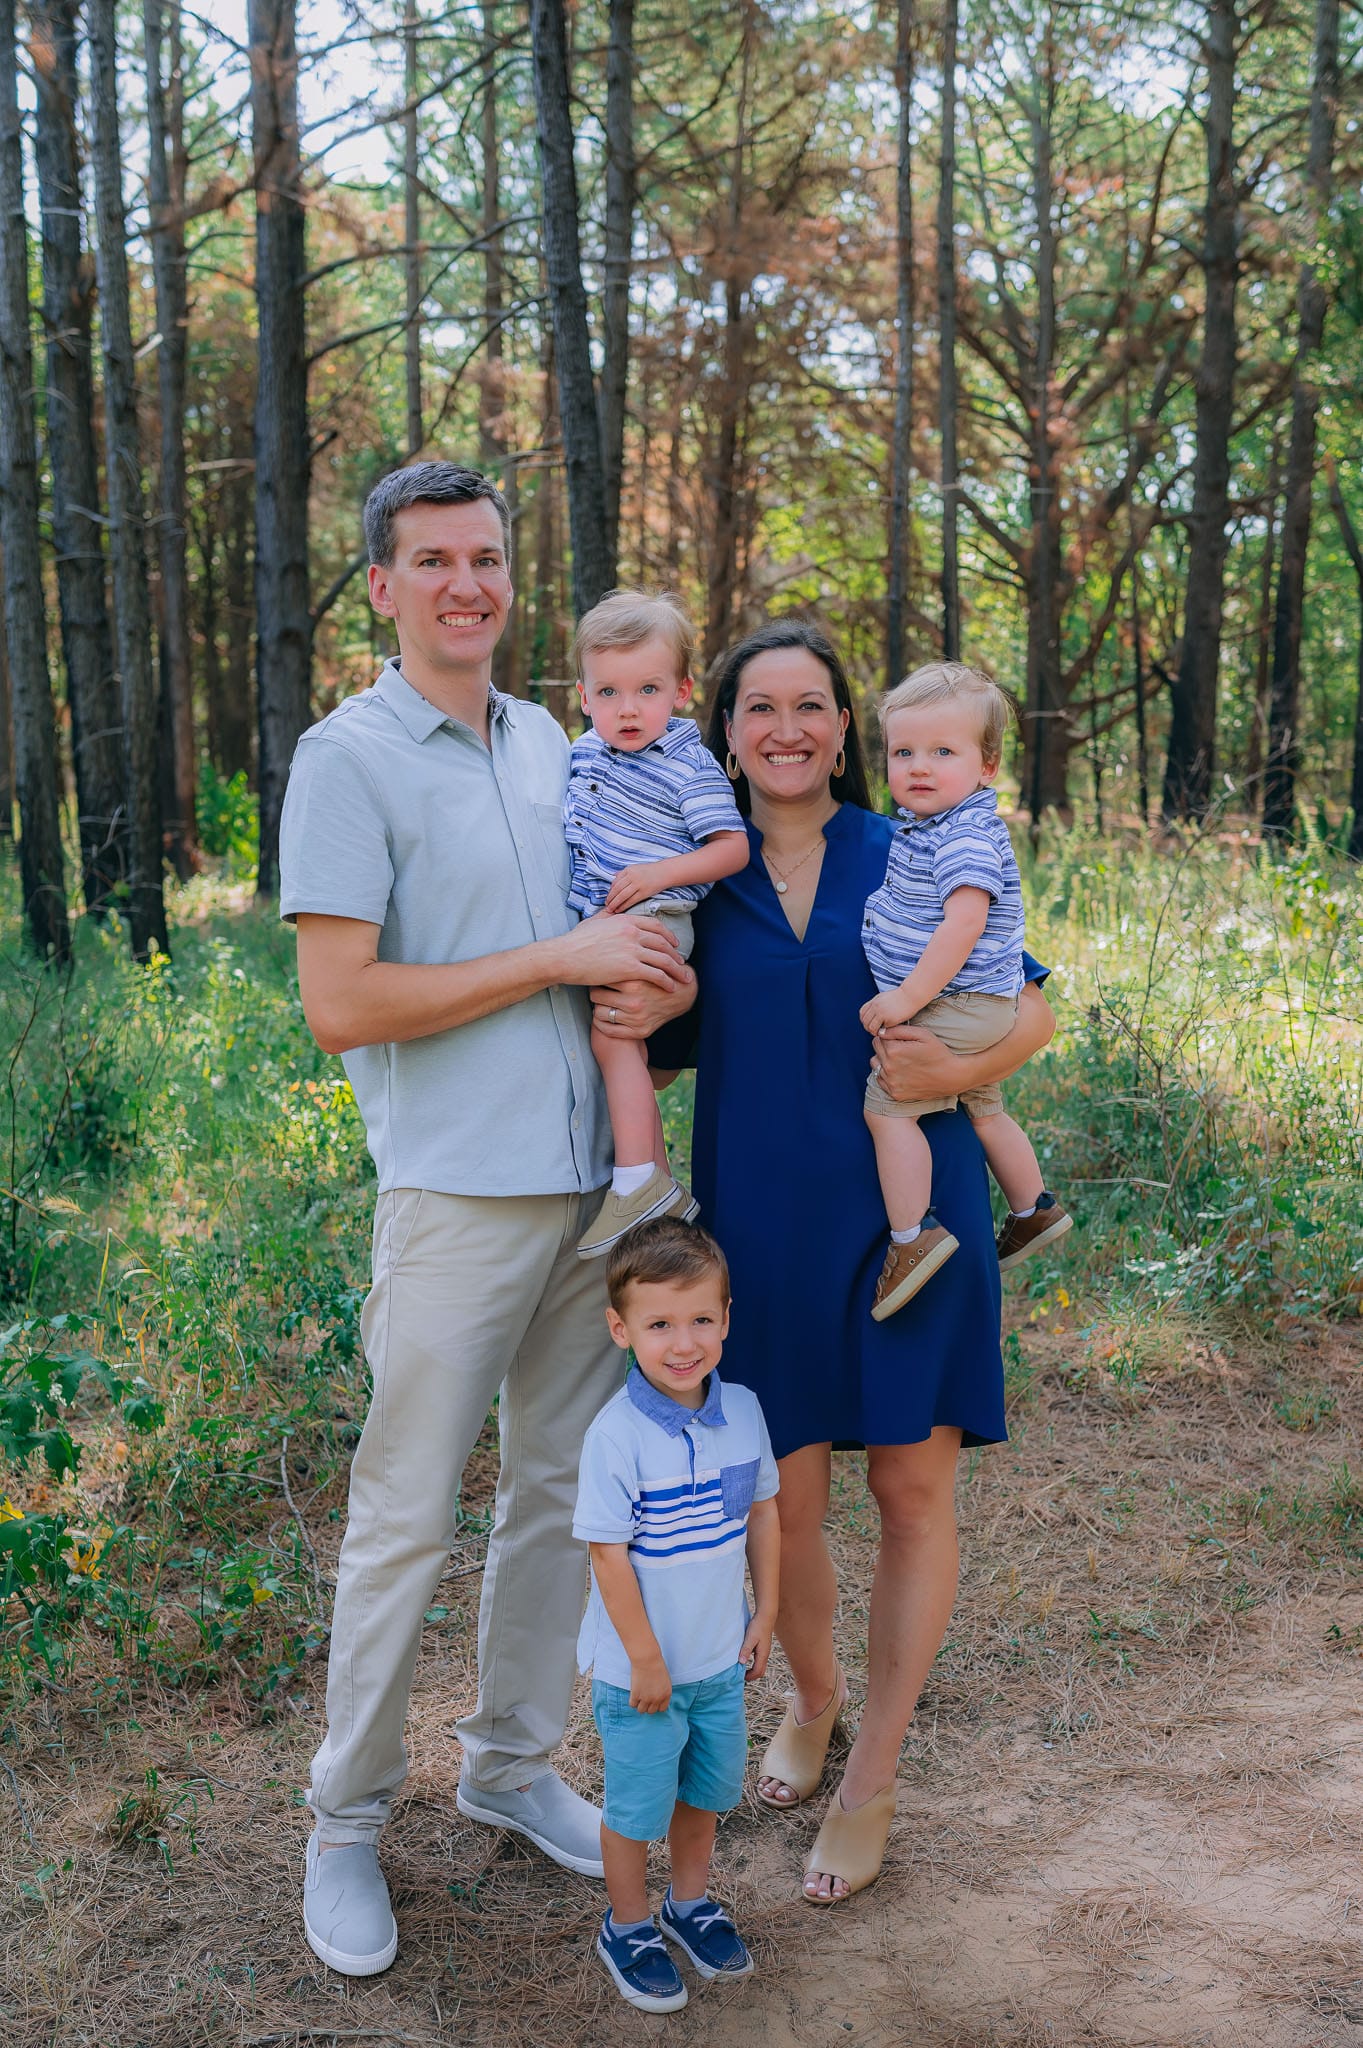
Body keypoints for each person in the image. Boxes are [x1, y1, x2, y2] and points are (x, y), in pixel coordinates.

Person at [278, 461, 692, 1977]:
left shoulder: (557, 743)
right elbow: (341, 1003)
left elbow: (614, 943)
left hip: (597, 1196)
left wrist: (650, 975)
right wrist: (550, 957)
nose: (466, 583)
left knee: (555, 1505)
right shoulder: (348, 758)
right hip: (454, 1196)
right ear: (381, 587)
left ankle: (512, 1766)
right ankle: (344, 1824)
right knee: (403, 1521)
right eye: (432, 560)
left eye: (489, 558)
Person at [596, 620, 1056, 1905]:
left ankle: (874, 1772)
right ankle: (812, 1698)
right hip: (757, 1233)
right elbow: (637, 1016)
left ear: (847, 727)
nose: (785, 728)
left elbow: (1031, 1005)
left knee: (911, 1492)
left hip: (913, 1217)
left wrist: (957, 1069)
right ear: (721, 729)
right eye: (757, 708)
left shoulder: (916, 839)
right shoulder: (689, 878)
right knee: (783, 1506)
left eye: (810, 705)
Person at [575, 1217, 779, 2012]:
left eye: (700, 1319)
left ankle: (687, 1906)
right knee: (635, 1809)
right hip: (641, 1676)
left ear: (726, 1319)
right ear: (621, 1329)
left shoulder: (746, 1413)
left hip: (718, 1662)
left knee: (704, 1797)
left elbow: (764, 1513)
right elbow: (606, 1555)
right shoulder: (615, 1436)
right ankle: (626, 1925)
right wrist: (646, 1659)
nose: (683, 1342)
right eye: (659, 1324)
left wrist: (764, 1615)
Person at [861, 663, 1071, 1319]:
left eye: (941, 752)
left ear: (986, 765)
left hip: (955, 1003)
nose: (918, 767)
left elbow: (963, 925)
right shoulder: (933, 826)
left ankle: (911, 1236)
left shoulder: (962, 833)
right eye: (903, 752)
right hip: (979, 1005)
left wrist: (903, 997)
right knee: (984, 1105)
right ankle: (1031, 1208)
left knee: (886, 1108)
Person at [564, 591, 748, 1259]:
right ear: (583, 695)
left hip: (656, 914)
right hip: (608, 916)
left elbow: (732, 848)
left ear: (681, 690)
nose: (628, 708)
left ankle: (640, 1178)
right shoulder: (584, 753)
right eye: (608, 691)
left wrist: (659, 874)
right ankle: (649, 1176)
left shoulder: (683, 762)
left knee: (613, 1038)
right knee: (615, 1042)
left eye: (647, 689)